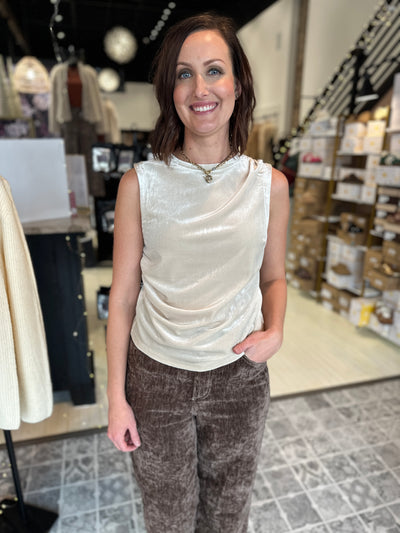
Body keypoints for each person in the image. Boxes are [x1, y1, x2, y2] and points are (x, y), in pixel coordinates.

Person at [106, 12, 289, 533]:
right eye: (184, 74)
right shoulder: (140, 184)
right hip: (155, 376)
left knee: (228, 511)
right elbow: (122, 296)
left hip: (238, 376)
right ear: (170, 90)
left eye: (214, 70)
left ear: (237, 84)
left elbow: (273, 277)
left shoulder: (270, 185)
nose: (200, 88)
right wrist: (116, 399)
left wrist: (276, 329)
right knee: (167, 514)